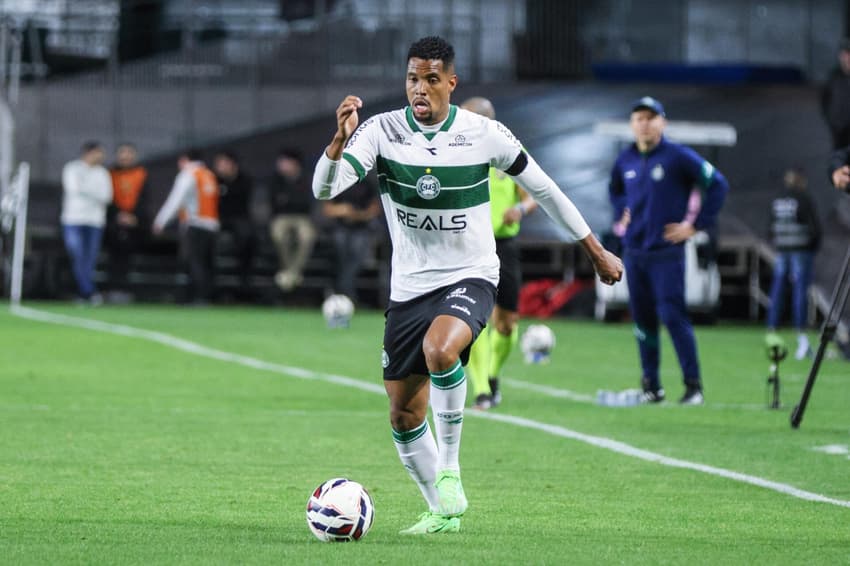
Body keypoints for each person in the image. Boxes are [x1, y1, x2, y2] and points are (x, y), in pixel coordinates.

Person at [312, 36, 623, 535]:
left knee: (442, 350)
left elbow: (545, 189)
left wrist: (595, 250)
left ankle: (452, 469)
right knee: (403, 413)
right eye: (413, 78)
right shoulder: (380, 130)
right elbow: (324, 189)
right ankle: (441, 510)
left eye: (432, 79)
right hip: (409, 288)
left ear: (450, 84)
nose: (420, 89)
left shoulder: (485, 134)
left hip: (472, 274)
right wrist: (337, 142)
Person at [609, 96, 729, 405]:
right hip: (635, 252)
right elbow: (616, 191)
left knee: (674, 318)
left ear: (663, 122)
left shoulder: (677, 156)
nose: (645, 123)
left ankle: (693, 386)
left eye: (651, 117)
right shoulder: (625, 160)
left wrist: (695, 224)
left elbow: (717, 184)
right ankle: (652, 386)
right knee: (643, 320)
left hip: (666, 253)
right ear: (633, 124)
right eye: (639, 118)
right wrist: (621, 211)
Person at [459, 96, 538, 411]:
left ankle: (492, 376)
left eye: (464, 116)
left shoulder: (508, 150)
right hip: (469, 246)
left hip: (504, 247)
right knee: (475, 317)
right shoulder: (455, 154)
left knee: (507, 323)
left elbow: (532, 195)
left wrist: (520, 209)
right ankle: (480, 390)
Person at [765, 168, 821, 360]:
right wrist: (812, 247)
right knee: (800, 291)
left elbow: (770, 227)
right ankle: (800, 330)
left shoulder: (778, 200)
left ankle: (772, 326)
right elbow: (814, 228)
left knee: (778, 288)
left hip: (782, 250)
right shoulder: (803, 199)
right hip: (801, 250)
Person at [153, 150, 220, 304]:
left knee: (194, 262)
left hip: (195, 223)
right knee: (206, 263)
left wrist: (160, 221)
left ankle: (198, 297)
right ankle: (207, 296)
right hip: (212, 225)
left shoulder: (188, 174)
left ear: (184, 160)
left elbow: (176, 200)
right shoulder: (209, 175)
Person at [61, 140, 113, 304]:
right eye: (99, 152)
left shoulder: (103, 173)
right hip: (73, 219)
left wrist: (86, 191)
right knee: (77, 253)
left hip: (95, 221)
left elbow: (107, 197)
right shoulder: (72, 168)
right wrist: (93, 194)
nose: (101, 156)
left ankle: (85, 292)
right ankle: (87, 290)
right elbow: (73, 189)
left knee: (89, 258)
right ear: (88, 153)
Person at [321, 177, 381, 302]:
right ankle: (347, 291)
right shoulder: (338, 181)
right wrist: (343, 210)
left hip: (362, 228)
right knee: (339, 246)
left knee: (358, 249)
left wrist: (359, 215)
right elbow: (327, 209)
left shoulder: (366, 183)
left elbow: (375, 209)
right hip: (340, 227)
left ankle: (342, 289)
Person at [268, 149, 317, 292]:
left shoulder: (307, 179)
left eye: (285, 162)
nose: (281, 165)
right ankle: (290, 271)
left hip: (302, 218)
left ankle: (292, 273)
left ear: (295, 163)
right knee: (278, 234)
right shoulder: (275, 180)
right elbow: (274, 204)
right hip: (281, 217)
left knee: (307, 236)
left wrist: (287, 201)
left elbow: (307, 204)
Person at [106, 143, 149, 301]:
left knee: (128, 257)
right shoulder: (109, 174)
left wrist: (134, 217)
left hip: (134, 223)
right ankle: (113, 289)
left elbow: (145, 199)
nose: (126, 157)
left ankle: (125, 290)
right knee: (113, 257)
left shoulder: (141, 173)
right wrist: (118, 215)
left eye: (129, 153)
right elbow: (106, 197)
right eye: (122, 153)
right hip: (113, 223)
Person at [213, 149, 256, 298]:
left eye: (223, 163)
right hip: (217, 219)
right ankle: (211, 283)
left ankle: (244, 277)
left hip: (238, 219)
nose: (219, 167)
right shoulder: (213, 180)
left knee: (248, 236)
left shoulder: (245, 181)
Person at [820, 39, 850, 150]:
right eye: (846, 54)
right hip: (838, 129)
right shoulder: (833, 77)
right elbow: (824, 100)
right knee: (838, 159)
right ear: (841, 56)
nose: (848, 58)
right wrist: (831, 119)